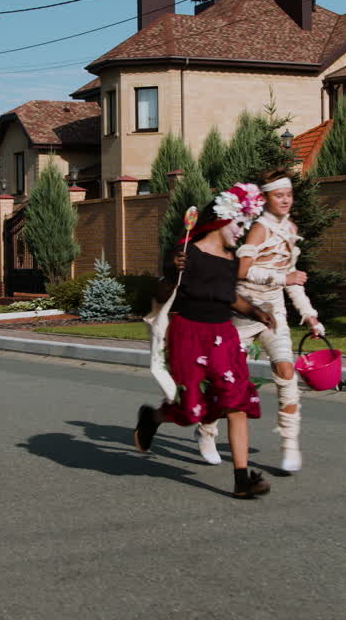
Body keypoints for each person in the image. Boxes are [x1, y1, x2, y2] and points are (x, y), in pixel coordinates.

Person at [134, 183, 276, 499]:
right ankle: (153, 417)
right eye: (239, 225)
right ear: (223, 219)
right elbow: (160, 296)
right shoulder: (186, 253)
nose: (242, 233)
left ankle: (242, 479)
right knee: (190, 410)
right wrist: (172, 274)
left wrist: (255, 311)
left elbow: (229, 297)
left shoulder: (230, 259)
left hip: (223, 335)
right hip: (188, 334)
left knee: (237, 400)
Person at [194, 169, 325, 474]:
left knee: (286, 371)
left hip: (274, 313)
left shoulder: (291, 230)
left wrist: (309, 315)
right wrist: (282, 276)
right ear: (265, 199)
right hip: (243, 312)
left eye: (289, 195)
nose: (286, 200)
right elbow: (239, 270)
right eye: (279, 195)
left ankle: (290, 444)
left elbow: (293, 280)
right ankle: (207, 429)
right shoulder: (258, 230)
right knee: (225, 380)